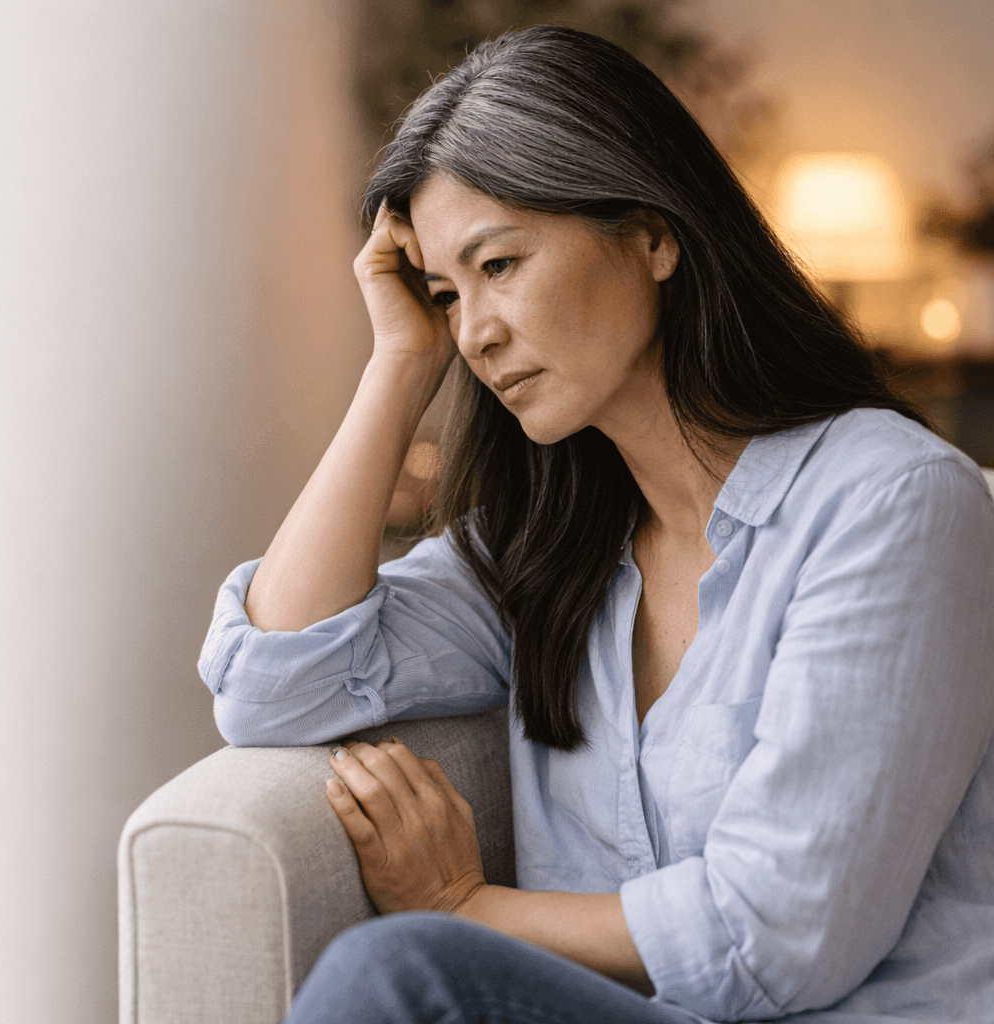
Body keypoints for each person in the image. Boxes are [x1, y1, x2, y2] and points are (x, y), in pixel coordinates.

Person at [196, 25, 994, 1024]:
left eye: (500, 265)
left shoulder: (894, 503)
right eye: (446, 295)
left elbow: (778, 937)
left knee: (403, 974)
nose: (475, 332)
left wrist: (465, 908)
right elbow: (274, 686)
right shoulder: (545, 549)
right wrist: (399, 367)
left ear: (655, 235)